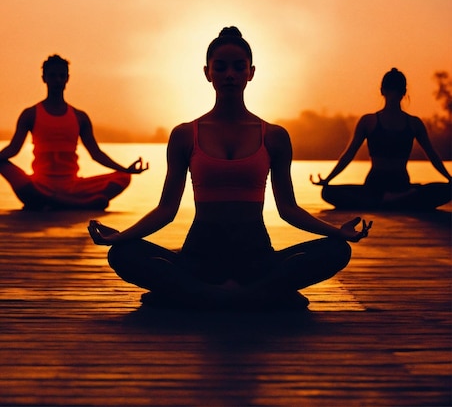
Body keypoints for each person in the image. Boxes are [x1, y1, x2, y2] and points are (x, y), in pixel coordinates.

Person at [89, 27, 371, 311]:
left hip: (256, 258)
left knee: (337, 250)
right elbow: (166, 210)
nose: (230, 75)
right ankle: (256, 296)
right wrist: (121, 236)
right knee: (123, 254)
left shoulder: (274, 135)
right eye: (220, 67)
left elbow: (289, 209)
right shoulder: (185, 134)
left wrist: (336, 232)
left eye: (239, 67)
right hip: (199, 258)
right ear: (207, 72)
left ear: (251, 72)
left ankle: (200, 296)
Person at [0, 54, 148, 210]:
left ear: (67, 79)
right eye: (52, 76)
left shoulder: (79, 117)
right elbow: (13, 149)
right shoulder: (30, 114)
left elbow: (96, 153)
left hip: (72, 186)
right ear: (44, 78)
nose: (57, 80)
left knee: (123, 177)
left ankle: (52, 201)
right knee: (2, 164)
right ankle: (77, 204)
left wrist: (125, 169)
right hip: (40, 184)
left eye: (61, 76)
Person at [311, 68, 451, 210]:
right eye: (391, 90)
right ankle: (394, 200)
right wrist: (328, 179)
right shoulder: (369, 121)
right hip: (375, 184)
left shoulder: (414, 123)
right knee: (328, 192)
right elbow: (349, 154)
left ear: (402, 93)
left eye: (396, 91)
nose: (393, 95)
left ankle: (384, 201)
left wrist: (450, 179)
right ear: (383, 91)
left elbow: (432, 155)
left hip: (400, 184)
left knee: (447, 190)